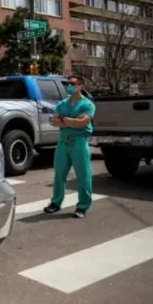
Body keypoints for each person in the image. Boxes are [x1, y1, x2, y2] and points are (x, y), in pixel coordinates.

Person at [43, 75, 96, 218]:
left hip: (79, 142)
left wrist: (65, 120)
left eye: (72, 83)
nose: (69, 86)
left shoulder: (87, 104)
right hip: (63, 141)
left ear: (80, 86)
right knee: (59, 174)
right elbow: (55, 122)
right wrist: (72, 121)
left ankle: (82, 206)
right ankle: (56, 203)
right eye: (67, 84)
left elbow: (83, 122)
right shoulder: (62, 104)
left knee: (83, 175)